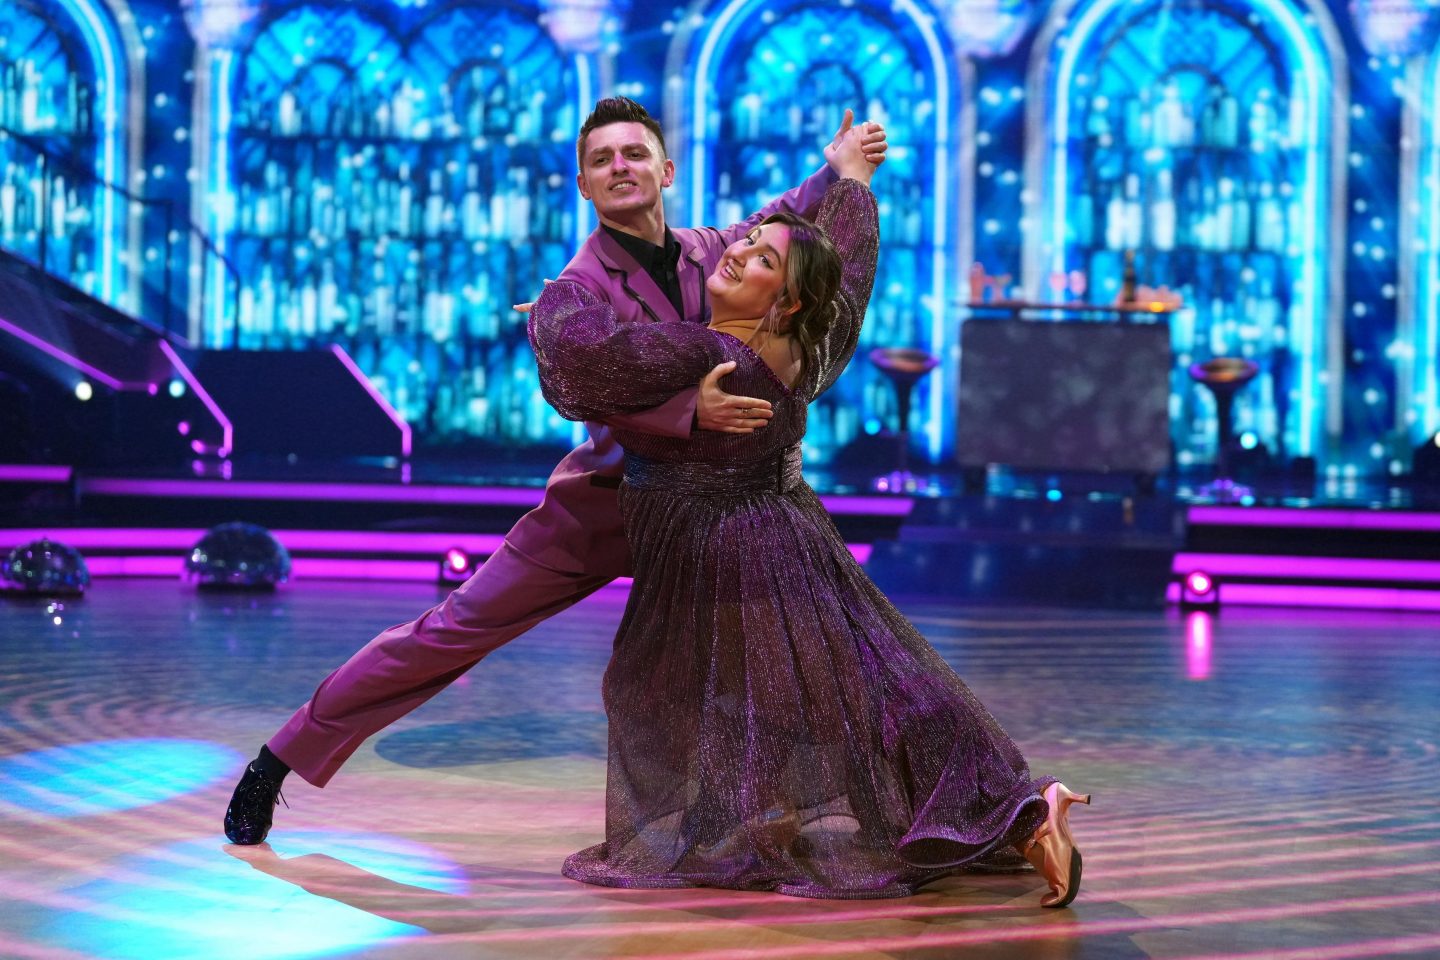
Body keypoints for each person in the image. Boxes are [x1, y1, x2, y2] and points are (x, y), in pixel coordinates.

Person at [222, 98, 888, 846]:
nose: (620, 168)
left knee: (787, 642)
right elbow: (590, 383)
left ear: (665, 170)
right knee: (452, 630)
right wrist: (683, 414)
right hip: (608, 506)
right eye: (602, 160)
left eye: (633, 154)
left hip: (712, 514)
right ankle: (278, 761)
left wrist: (834, 172)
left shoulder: (711, 251)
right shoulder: (576, 289)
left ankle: (766, 802)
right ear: (584, 185)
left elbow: (784, 222)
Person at [527, 121, 1090, 904]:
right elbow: (850, 274)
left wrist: (556, 308)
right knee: (813, 695)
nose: (740, 250)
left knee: (841, 699)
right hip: (744, 549)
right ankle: (792, 819)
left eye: (761, 259)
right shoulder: (801, 348)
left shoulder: (715, 357)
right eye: (749, 239)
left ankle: (1023, 808)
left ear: (784, 301)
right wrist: (849, 182)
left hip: (744, 558)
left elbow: (593, 361)